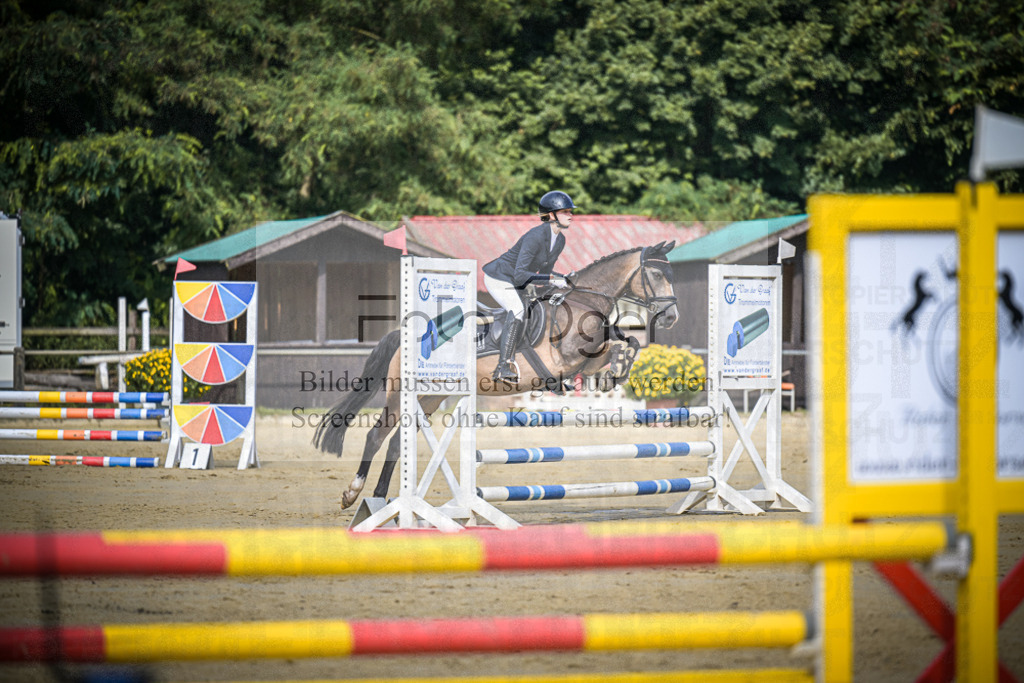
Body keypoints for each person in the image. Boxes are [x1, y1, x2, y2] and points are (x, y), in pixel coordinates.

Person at [482, 190, 576, 383]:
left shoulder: (560, 240)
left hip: (518, 282)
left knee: (541, 308)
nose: (571, 215)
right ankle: (503, 366)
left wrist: (561, 281)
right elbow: (521, 274)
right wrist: (551, 279)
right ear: (551, 215)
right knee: (516, 310)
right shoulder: (535, 236)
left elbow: (543, 273)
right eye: (565, 211)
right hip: (499, 277)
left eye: (570, 211)